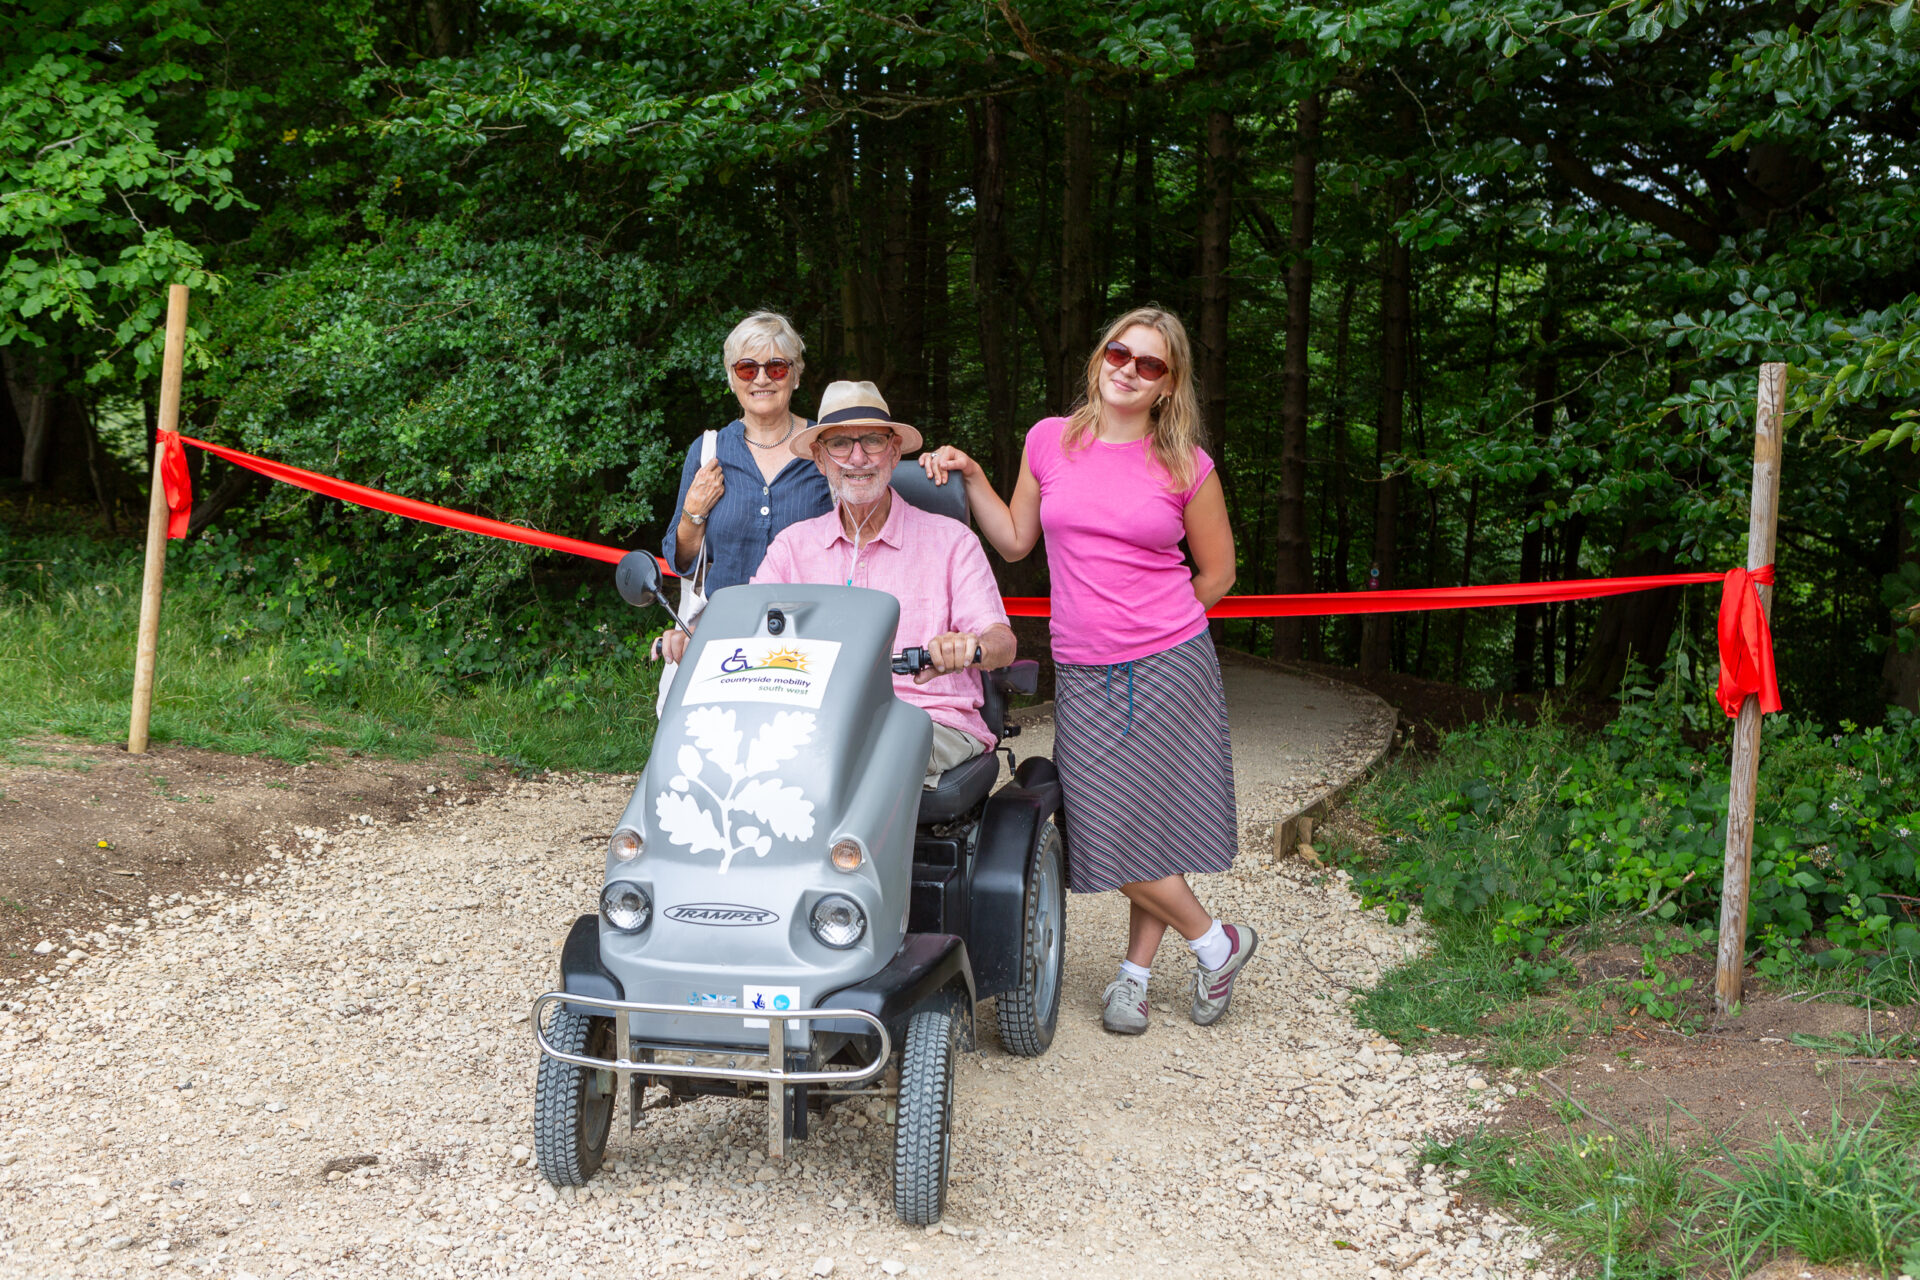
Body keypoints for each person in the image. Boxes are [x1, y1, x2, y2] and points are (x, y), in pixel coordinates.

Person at [918, 307, 1253, 1033]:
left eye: (1150, 364)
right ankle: (1216, 942)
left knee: (1147, 822)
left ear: (1169, 385)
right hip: (1083, 669)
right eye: (1119, 352)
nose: (1128, 369)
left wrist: (1152, 625)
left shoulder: (1185, 464)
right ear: (1101, 356)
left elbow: (1219, 573)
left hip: (1168, 665)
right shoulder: (1049, 440)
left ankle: (1133, 978)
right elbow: (1012, 541)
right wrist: (970, 473)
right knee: (1105, 824)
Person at [663, 381, 1015, 785]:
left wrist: (970, 647)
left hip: (926, 722)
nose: (858, 457)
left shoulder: (951, 542)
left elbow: (1003, 644)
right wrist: (696, 642)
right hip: (812, 728)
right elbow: (746, 631)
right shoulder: (792, 548)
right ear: (819, 458)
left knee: (859, 752)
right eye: (840, 444)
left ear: (895, 450)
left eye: (872, 441)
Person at [661, 311, 833, 597]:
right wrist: (693, 513)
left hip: (809, 627)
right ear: (732, 378)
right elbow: (683, 561)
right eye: (747, 369)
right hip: (727, 627)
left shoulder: (824, 445)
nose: (762, 379)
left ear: (796, 375)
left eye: (776, 367)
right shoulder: (708, 451)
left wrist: (934, 463)